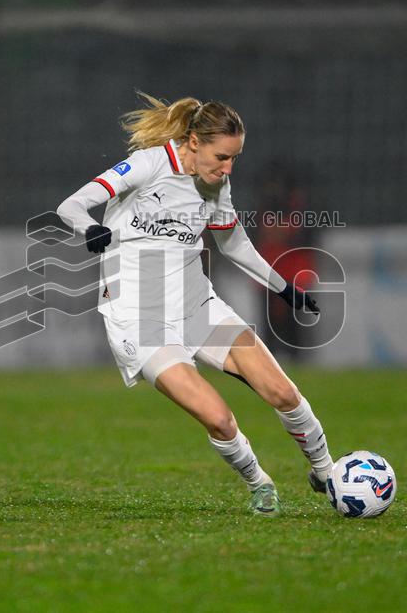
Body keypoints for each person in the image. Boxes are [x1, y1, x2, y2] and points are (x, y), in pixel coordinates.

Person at [56, 93, 334, 516]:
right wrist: (90, 228)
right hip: (139, 319)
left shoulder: (216, 182)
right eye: (222, 156)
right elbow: (71, 205)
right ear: (192, 142)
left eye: (234, 159)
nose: (227, 169)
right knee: (219, 419)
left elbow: (234, 244)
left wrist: (284, 288)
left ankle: (327, 472)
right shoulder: (149, 165)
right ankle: (260, 483)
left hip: (197, 307)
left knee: (282, 391)